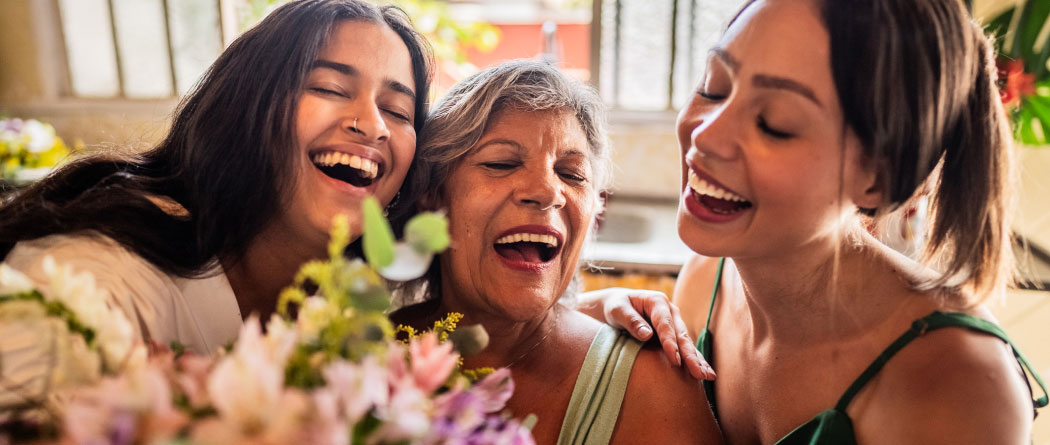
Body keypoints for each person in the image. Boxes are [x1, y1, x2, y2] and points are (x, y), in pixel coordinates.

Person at [586, 0, 1049, 442]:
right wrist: (585, 320)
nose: (706, 135)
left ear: (877, 178)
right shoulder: (706, 283)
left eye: (775, 123)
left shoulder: (959, 386)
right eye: (714, 87)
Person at [0, 0, 433, 355]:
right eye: (330, 89)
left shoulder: (368, 309)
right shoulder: (94, 282)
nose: (374, 125)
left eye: (398, 111)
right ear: (245, 107)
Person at [390, 59, 723, 444]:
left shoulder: (651, 385)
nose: (548, 191)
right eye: (502, 163)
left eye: (572, 174)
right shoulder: (359, 357)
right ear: (434, 200)